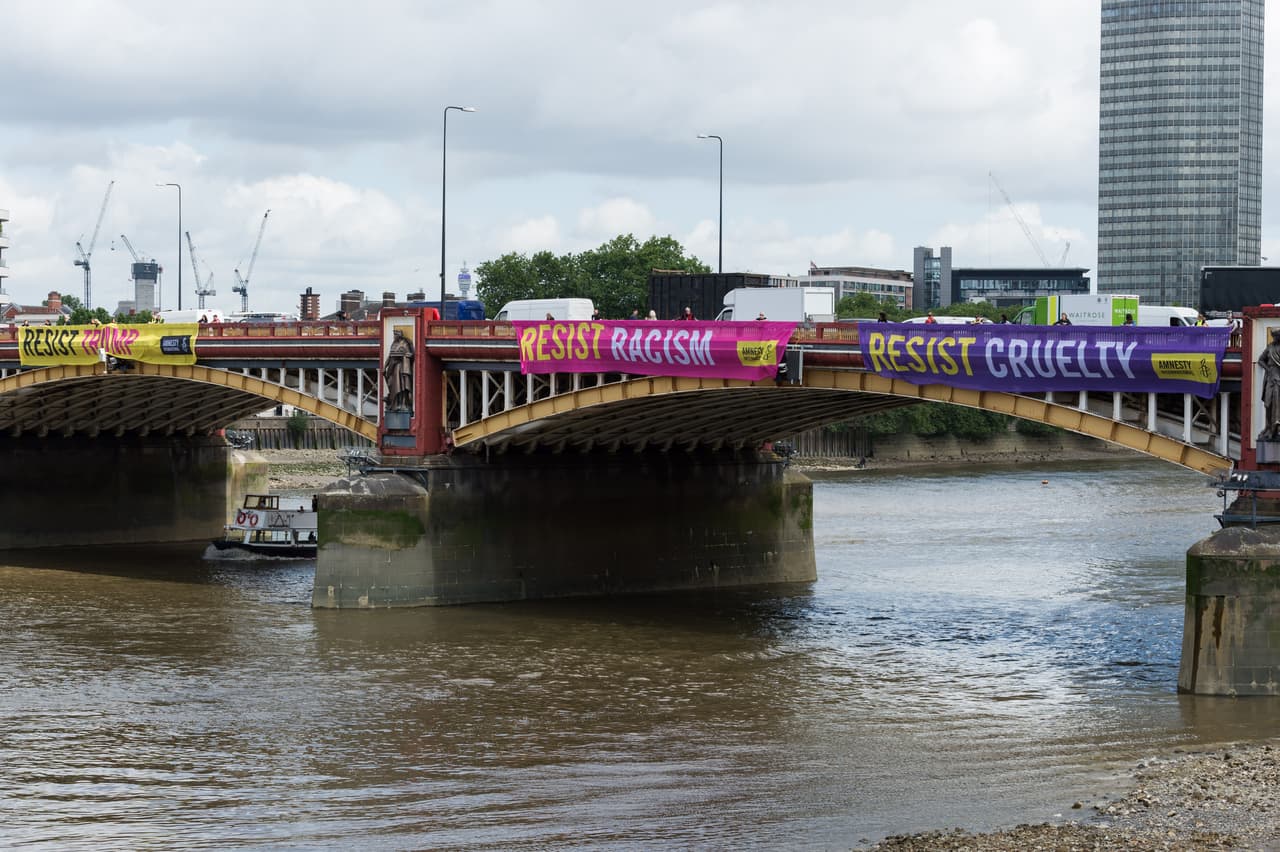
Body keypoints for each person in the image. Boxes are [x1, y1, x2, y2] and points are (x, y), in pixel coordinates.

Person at [382, 328, 415, 412]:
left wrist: (404, 356)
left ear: (399, 335)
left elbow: (410, 355)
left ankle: (403, 404)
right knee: (394, 385)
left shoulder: (405, 344)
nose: (394, 337)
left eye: (395, 335)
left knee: (403, 386)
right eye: (393, 335)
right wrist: (384, 367)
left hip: (402, 368)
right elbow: (389, 357)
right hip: (393, 368)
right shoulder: (394, 344)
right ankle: (395, 404)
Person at [1259, 328, 1280, 441]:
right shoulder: (1270, 348)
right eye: (1275, 336)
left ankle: (1275, 428)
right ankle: (1268, 427)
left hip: (1278, 378)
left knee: (1277, 402)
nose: (1276, 338)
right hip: (1271, 377)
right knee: (1268, 403)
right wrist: (1268, 369)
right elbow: (1261, 360)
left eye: (1277, 336)